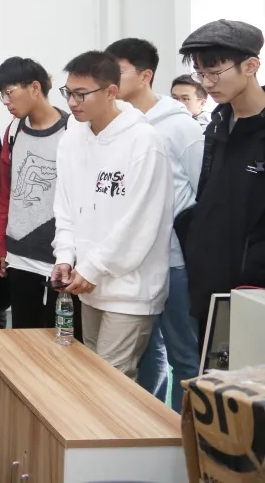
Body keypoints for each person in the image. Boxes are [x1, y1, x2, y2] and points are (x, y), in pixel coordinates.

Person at [52, 51, 172, 378]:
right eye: (68, 93)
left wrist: (92, 267)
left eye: (81, 94)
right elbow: (65, 206)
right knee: (92, 373)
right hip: (88, 284)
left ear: (111, 92)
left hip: (130, 289)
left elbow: (138, 222)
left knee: (111, 380)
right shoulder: (73, 137)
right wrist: (65, 257)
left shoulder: (143, 141)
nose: (72, 102)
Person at [106, 39, 203, 411]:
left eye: (119, 70)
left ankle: (185, 435)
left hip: (174, 262)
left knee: (184, 356)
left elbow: (202, 192)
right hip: (132, 261)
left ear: (146, 75)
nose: (109, 78)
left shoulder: (180, 127)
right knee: (146, 353)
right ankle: (147, 426)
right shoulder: (117, 123)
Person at [178, 20, 265, 348]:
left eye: (215, 72)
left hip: (254, 294)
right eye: (200, 73)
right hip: (210, 289)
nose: (207, 83)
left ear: (250, 66)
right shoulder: (216, 127)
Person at [0, 57, 80, 337]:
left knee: (64, 338)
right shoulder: (14, 131)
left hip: (59, 255)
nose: (6, 101)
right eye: (2, 95)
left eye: (9, 92)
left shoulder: (73, 129)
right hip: (19, 255)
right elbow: (6, 191)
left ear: (35, 87)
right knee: (24, 337)